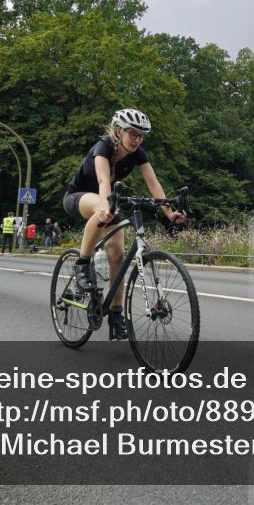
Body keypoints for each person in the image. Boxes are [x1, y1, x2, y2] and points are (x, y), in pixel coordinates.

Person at [62, 109, 186, 340]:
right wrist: (106, 205)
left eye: (141, 136)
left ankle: (116, 314)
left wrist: (169, 213)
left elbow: (154, 184)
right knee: (101, 208)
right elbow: (102, 180)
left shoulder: (138, 153)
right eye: (133, 134)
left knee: (117, 255)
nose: (137, 139)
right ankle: (82, 262)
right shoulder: (103, 148)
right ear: (119, 131)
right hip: (79, 196)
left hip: (110, 200)